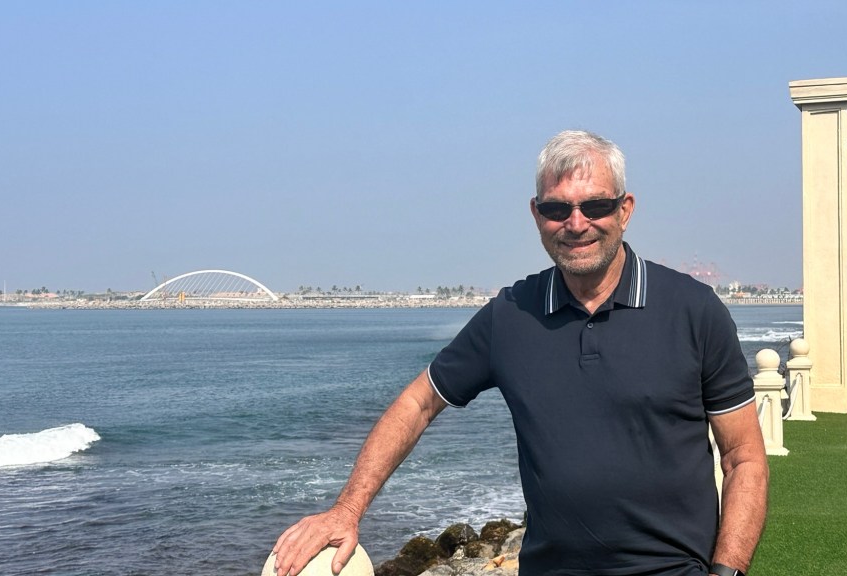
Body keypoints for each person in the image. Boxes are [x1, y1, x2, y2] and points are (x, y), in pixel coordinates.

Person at [272, 130, 769, 576]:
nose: (576, 223)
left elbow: (743, 457)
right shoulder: (510, 315)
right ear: (536, 215)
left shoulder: (693, 311)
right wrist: (346, 511)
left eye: (595, 206)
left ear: (625, 209)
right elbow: (418, 402)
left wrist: (727, 571)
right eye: (557, 209)